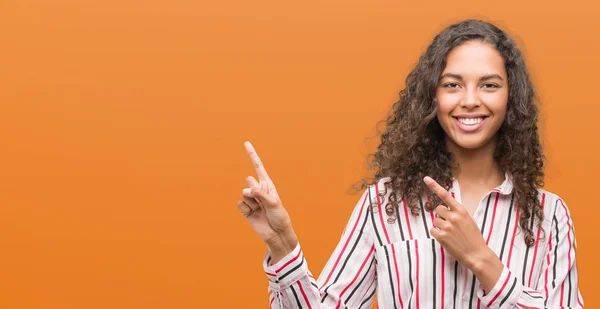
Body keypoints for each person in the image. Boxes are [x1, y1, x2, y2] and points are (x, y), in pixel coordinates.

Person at [236, 19, 584, 309]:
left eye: (489, 85)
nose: (470, 100)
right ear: (432, 96)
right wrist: (282, 245)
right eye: (452, 85)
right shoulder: (384, 204)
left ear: (511, 98)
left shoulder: (549, 216)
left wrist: (483, 261)